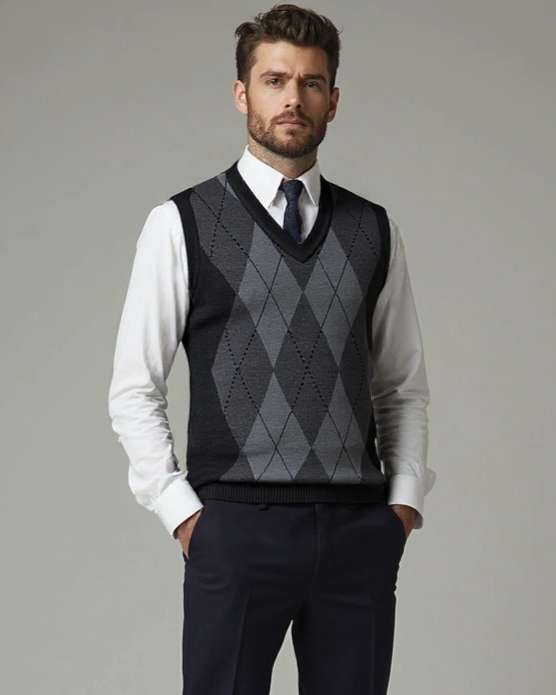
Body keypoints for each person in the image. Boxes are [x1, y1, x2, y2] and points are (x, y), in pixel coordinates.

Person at [108, 4, 436, 694]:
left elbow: (400, 386)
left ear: (333, 101)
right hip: (234, 530)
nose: (294, 98)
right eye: (275, 80)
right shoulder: (181, 224)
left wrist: (402, 504)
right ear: (242, 94)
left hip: (357, 533)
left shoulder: (375, 230)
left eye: (312, 83)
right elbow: (134, 388)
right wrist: (184, 515)